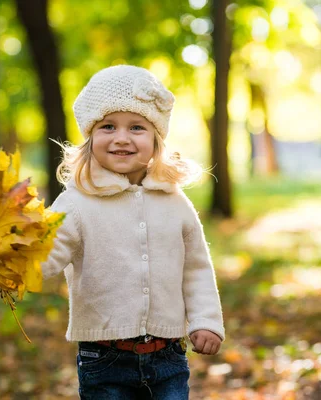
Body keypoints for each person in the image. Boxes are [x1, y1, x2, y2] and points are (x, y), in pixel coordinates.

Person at [41, 65, 225, 399]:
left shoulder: (174, 201)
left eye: (137, 127)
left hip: (169, 356)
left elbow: (196, 267)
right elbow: (45, 255)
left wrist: (206, 320)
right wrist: (7, 259)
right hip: (103, 358)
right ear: (90, 137)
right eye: (108, 126)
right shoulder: (76, 203)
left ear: (156, 140)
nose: (122, 137)